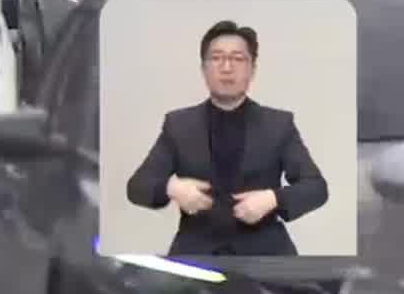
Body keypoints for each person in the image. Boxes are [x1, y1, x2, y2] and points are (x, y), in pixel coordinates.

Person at [125, 20, 328, 256]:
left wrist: (273, 198)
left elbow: (316, 187)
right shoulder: (178, 125)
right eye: (217, 58)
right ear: (203, 69)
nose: (227, 67)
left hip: (265, 252)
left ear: (252, 70)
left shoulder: (278, 124)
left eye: (238, 59)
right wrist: (172, 187)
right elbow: (137, 186)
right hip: (196, 252)